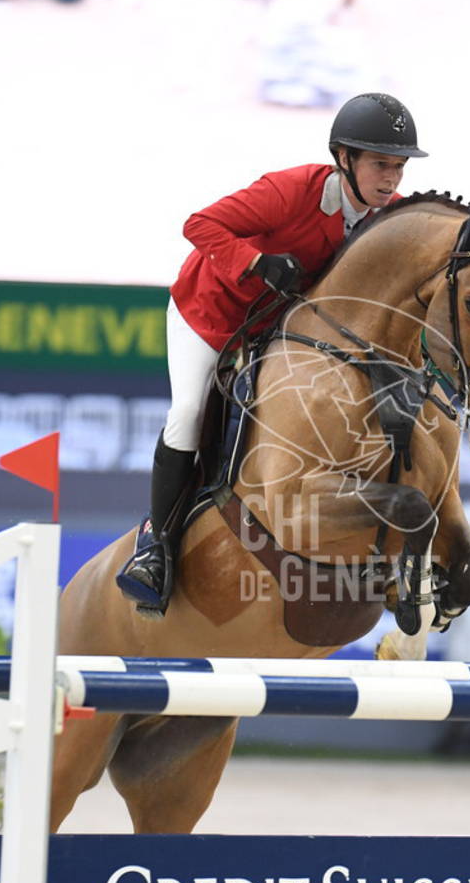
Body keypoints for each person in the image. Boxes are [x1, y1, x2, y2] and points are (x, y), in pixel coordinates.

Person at [116, 92, 427, 613]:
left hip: (279, 331)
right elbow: (199, 225)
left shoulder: (388, 220)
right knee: (189, 415)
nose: (391, 179)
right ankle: (157, 548)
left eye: (398, 167)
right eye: (380, 164)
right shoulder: (290, 191)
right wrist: (257, 261)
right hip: (212, 315)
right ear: (344, 158)